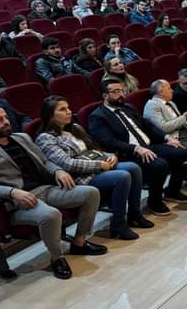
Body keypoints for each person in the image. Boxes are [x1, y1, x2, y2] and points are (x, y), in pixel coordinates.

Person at [0, 106, 105, 280]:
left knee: (91, 193)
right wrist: (12, 191)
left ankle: (79, 242)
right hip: (20, 200)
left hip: (45, 188)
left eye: (5, 117)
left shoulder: (21, 138)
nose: (5, 121)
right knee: (51, 215)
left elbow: (44, 161)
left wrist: (57, 171)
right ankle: (57, 258)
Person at [35, 96, 154, 240]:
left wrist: (111, 156)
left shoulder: (76, 128)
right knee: (122, 176)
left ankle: (135, 215)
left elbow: (94, 148)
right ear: (50, 115)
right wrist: (98, 165)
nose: (69, 112)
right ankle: (118, 224)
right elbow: (67, 163)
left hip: (98, 165)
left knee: (133, 168)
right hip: (80, 177)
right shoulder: (46, 138)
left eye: (68, 108)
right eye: (62, 109)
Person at [88, 79, 187, 216]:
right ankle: (154, 202)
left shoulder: (128, 107)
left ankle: (172, 191)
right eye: (116, 91)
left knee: (182, 151)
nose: (121, 94)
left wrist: (167, 138)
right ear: (105, 96)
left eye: (121, 90)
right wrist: (135, 148)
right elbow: (108, 142)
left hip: (148, 146)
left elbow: (148, 126)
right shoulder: (98, 116)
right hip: (127, 154)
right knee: (159, 164)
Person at [143, 79, 187, 153]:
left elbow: (182, 120)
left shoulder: (171, 103)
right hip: (174, 139)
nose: (172, 91)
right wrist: (184, 117)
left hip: (186, 133)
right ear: (161, 91)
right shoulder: (152, 106)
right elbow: (163, 128)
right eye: (169, 88)